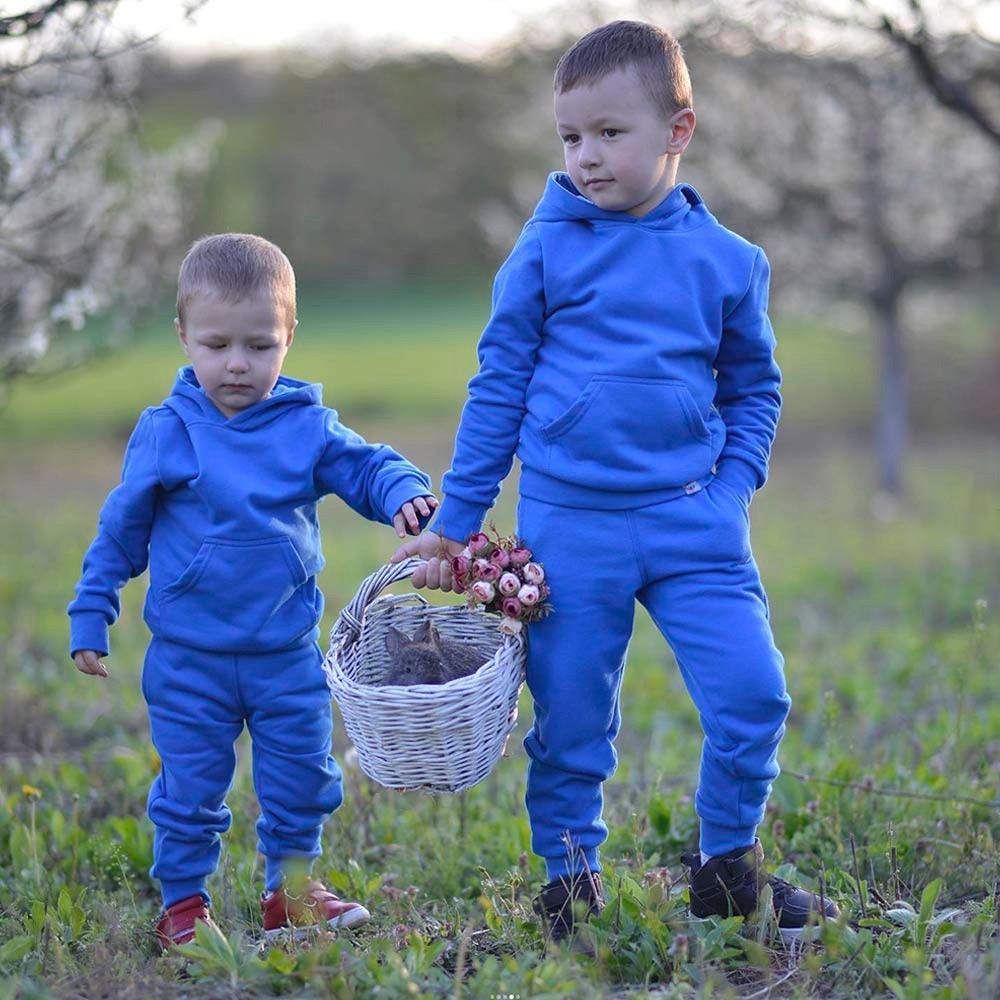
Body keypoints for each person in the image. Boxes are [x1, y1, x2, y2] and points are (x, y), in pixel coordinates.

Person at [392, 21, 839, 944]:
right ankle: (569, 885)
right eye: (570, 136)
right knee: (571, 719)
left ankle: (727, 871)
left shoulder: (729, 261)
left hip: (693, 525)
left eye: (608, 132)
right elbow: (497, 389)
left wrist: (731, 490)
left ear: (678, 130)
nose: (585, 156)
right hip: (570, 529)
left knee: (754, 693)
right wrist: (458, 520)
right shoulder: (542, 251)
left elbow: (754, 390)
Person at [69, 233, 438, 951]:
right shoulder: (168, 432)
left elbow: (367, 467)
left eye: (259, 345)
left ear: (289, 337)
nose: (237, 363)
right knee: (190, 787)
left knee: (303, 778)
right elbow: (119, 533)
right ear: (184, 337)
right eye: (216, 345)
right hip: (189, 659)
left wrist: (403, 492)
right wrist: (91, 611)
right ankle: (183, 906)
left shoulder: (307, 427)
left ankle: (291, 894)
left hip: (284, 652)